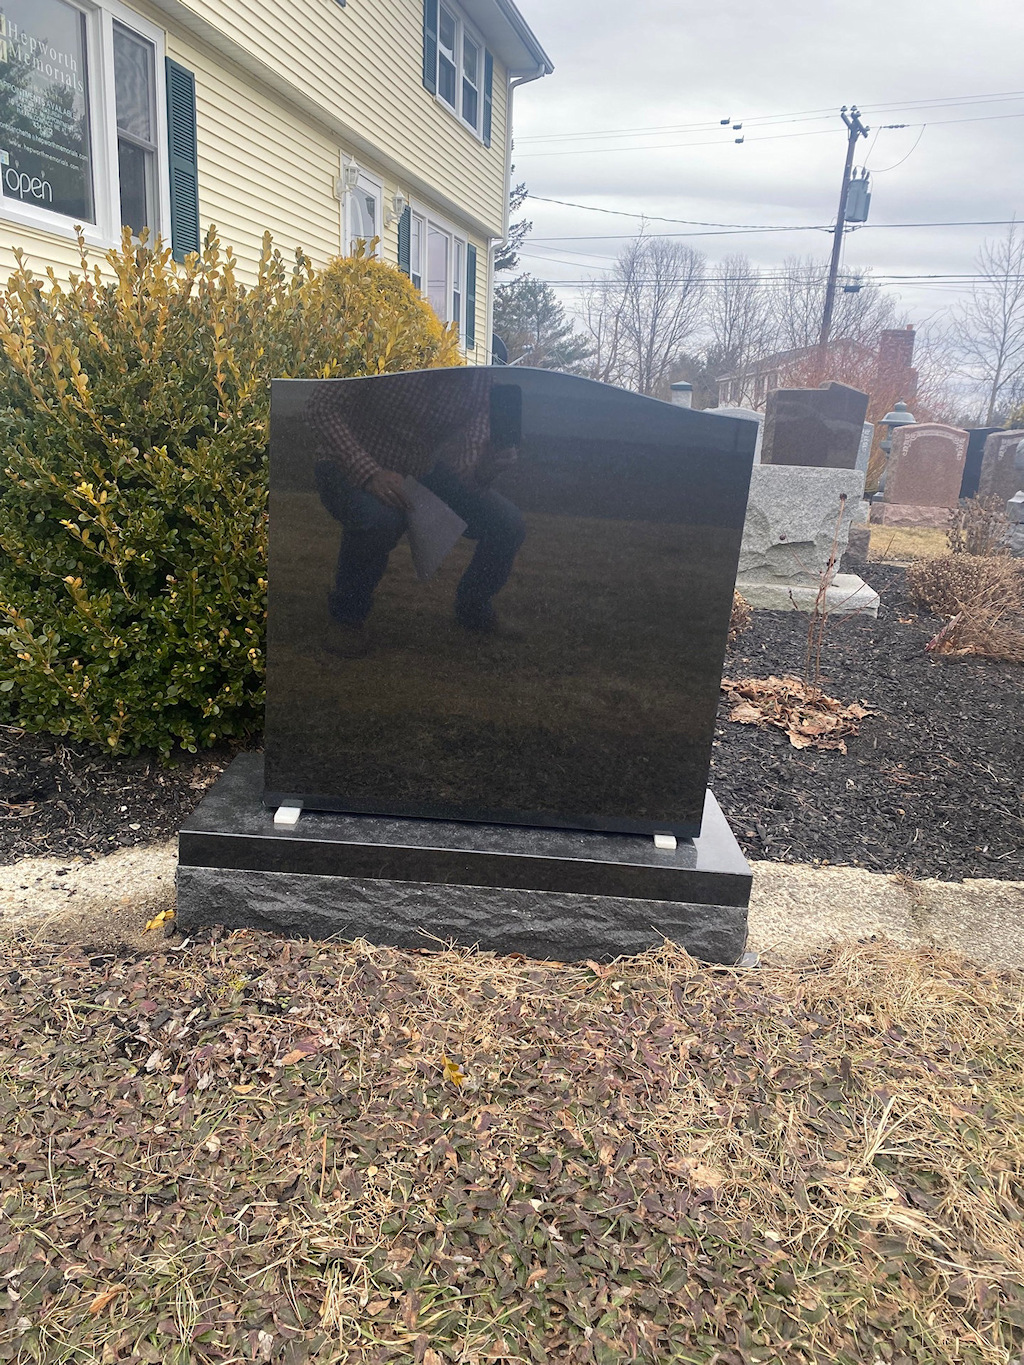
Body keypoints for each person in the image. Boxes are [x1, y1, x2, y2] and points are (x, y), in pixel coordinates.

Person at [307, 369, 524, 655]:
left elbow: (468, 461)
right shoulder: (392, 353)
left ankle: (473, 607)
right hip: (345, 463)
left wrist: (486, 468)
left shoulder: (482, 383)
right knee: (380, 519)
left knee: (507, 523)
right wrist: (369, 473)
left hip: (420, 471)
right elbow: (321, 406)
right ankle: (347, 617)